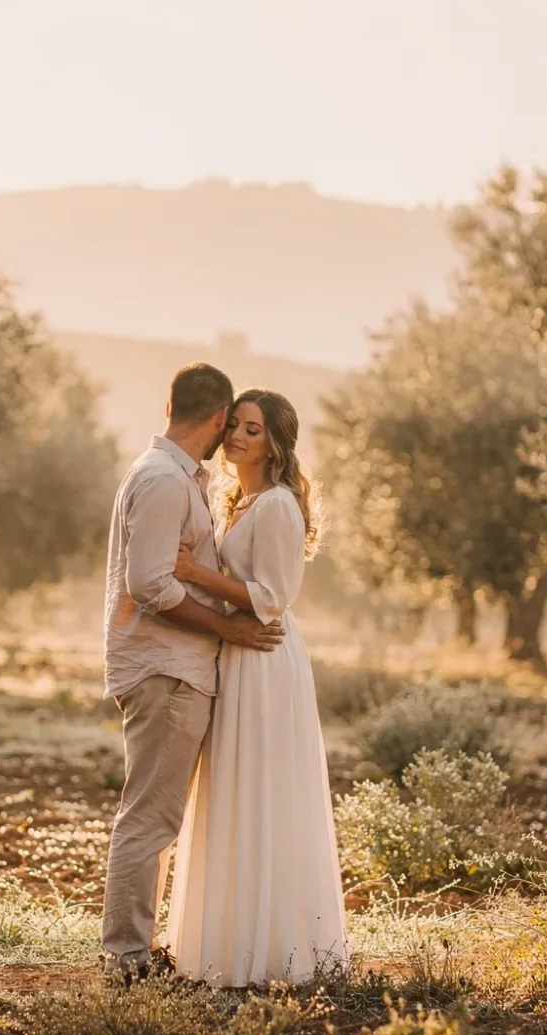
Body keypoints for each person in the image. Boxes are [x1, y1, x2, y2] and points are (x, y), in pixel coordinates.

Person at [100, 363, 285, 982]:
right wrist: (232, 629)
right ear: (214, 418)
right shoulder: (162, 479)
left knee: (156, 814)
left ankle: (135, 951)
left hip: (174, 668)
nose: (228, 436)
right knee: (150, 817)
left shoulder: (176, 477)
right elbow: (150, 583)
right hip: (165, 669)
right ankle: (126, 959)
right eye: (229, 424)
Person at [163, 388, 349, 986]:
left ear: (275, 444)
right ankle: (227, 942)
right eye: (235, 426)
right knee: (232, 788)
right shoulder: (233, 500)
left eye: (254, 429)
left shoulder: (276, 507)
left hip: (264, 660)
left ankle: (274, 949)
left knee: (263, 789)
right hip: (233, 652)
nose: (238, 437)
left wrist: (196, 573)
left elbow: (272, 599)